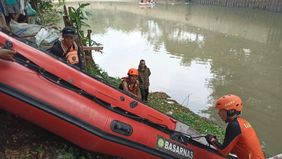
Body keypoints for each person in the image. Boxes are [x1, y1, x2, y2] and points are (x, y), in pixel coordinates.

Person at [205, 94, 265, 159]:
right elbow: (234, 149)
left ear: (231, 111)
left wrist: (211, 139)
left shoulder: (234, 126)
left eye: (221, 110)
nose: (219, 113)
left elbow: (223, 151)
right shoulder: (243, 122)